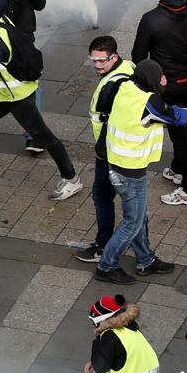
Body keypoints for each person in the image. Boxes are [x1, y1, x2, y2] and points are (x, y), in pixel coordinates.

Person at [0, 0, 81, 200]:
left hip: (15, 96)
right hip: (9, 94)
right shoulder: (1, 22)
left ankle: (72, 178)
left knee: (44, 135)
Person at [95, 59, 182, 284]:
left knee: (139, 217)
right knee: (133, 222)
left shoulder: (125, 86)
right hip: (130, 173)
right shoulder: (148, 103)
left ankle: (145, 260)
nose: (164, 80)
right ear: (151, 79)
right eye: (161, 76)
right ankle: (106, 266)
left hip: (117, 164)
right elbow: (179, 117)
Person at [133, 0, 187, 204]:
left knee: (179, 133)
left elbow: (139, 57)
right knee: (178, 126)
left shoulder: (151, 20)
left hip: (167, 85)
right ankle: (178, 168)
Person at [74, 36, 135, 264]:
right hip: (122, 151)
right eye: (94, 60)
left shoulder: (111, 85)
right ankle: (144, 253)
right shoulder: (129, 68)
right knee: (134, 208)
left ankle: (103, 247)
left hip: (110, 152)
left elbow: (107, 120)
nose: (98, 65)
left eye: (103, 60)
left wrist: (101, 149)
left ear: (114, 56)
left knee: (103, 197)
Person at [86, 295, 160, 373]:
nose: (93, 326)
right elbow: (120, 354)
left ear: (100, 320)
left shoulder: (109, 337)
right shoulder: (130, 329)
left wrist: (98, 339)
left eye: (93, 323)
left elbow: (100, 367)